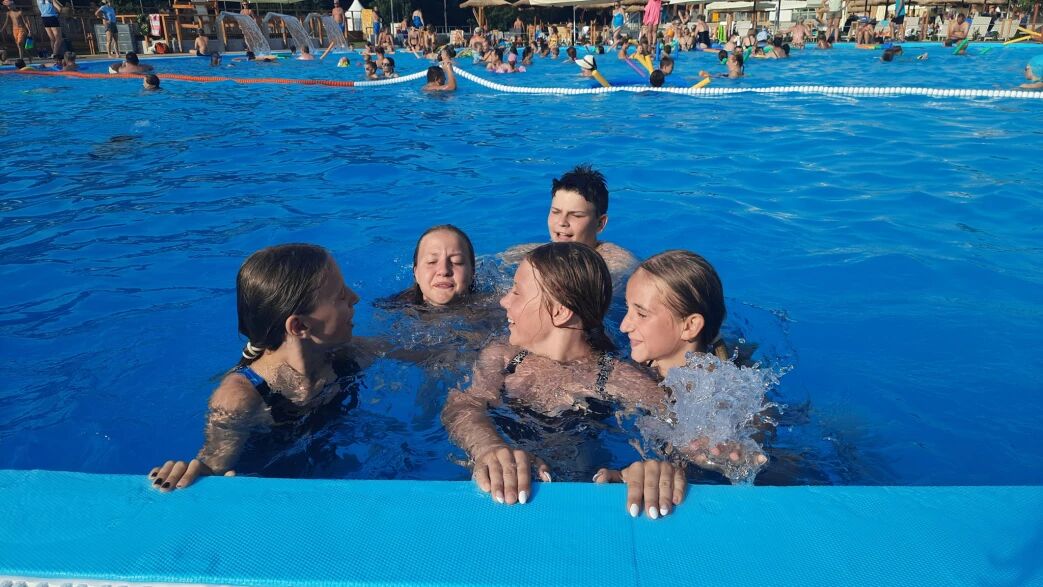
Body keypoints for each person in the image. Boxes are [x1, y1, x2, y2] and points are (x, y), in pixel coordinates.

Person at [441, 242, 674, 513]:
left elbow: (685, 439)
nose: (504, 300)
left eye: (516, 292)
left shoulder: (618, 378)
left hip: (586, 497)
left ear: (560, 311)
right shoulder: (503, 357)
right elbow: (464, 406)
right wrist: (488, 448)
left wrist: (656, 469)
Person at [148, 244, 362, 491]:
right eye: (341, 296)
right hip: (271, 491)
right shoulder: (240, 398)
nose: (355, 297)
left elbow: (403, 349)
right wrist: (191, 474)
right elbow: (214, 465)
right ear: (300, 327)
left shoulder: (346, 355)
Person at [593, 250, 766, 499]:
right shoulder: (625, 369)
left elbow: (757, 425)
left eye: (641, 314)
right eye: (628, 309)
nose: (624, 325)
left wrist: (739, 449)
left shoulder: (725, 389)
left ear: (689, 326)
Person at [500, 165, 638, 284]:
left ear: (600, 223)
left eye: (576, 215)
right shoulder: (526, 253)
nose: (562, 222)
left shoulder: (616, 264)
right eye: (556, 212)